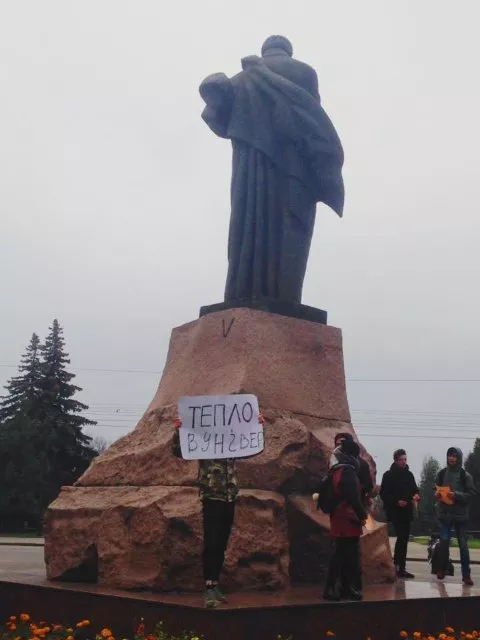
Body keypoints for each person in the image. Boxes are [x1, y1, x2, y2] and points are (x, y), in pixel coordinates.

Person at [200, 35, 344, 305]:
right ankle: (286, 299)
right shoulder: (305, 73)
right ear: (288, 51)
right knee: (291, 229)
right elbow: (313, 118)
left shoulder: (239, 80)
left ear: (264, 50)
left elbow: (214, 117)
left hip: (248, 170)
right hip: (295, 169)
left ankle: (242, 292)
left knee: (248, 224)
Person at [172, 423, 238, 608]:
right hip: (211, 495)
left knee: (222, 542)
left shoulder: (231, 436)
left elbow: (250, 446)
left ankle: (215, 583)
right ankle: (208, 586)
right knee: (212, 541)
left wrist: (258, 427)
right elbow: (179, 450)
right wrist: (178, 430)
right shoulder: (203, 437)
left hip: (230, 495)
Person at [324, 439, 367, 601]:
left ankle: (343, 587)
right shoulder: (347, 470)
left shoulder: (336, 468)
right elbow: (353, 497)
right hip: (347, 516)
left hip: (339, 515)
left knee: (344, 552)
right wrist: (362, 514)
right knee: (344, 553)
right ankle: (335, 588)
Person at [434, 447, 475, 585]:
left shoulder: (465, 475)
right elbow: (436, 488)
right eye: (449, 455)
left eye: (454, 456)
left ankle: (466, 575)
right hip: (445, 514)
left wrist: (456, 495)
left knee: (463, 545)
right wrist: (437, 494)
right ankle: (441, 569)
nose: (451, 458)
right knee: (444, 542)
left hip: (460, 516)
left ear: (459, 458)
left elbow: (472, 495)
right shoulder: (442, 473)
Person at [380, 449, 420, 579]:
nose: (404, 462)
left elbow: (415, 490)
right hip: (395, 512)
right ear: (396, 460)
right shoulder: (388, 475)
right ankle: (397, 566)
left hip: (407, 511)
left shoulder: (409, 475)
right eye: (401, 460)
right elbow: (384, 493)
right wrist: (396, 502)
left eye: (405, 459)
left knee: (404, 539)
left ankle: (401, 567)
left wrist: (416, 495)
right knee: (401, 537)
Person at [330, 432, 374, 505]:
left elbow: (368, 486)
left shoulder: (362, 464)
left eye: (341, 444)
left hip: (354, 505)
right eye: (337, 444)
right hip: (335, 505)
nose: (338, 447)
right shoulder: (333, 462)